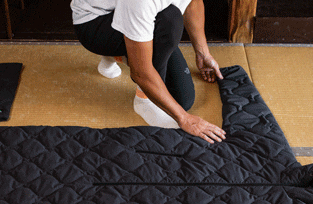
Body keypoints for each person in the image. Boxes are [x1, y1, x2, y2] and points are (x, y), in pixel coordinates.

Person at [71, 0, 226, 144]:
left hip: (133, 13)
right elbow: (140, 73)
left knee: (182, 99)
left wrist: (203, 53)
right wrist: (184, 119)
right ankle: (143, 102)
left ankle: (118, 55)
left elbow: (193, 3)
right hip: (94, 22)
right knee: (170, 20)